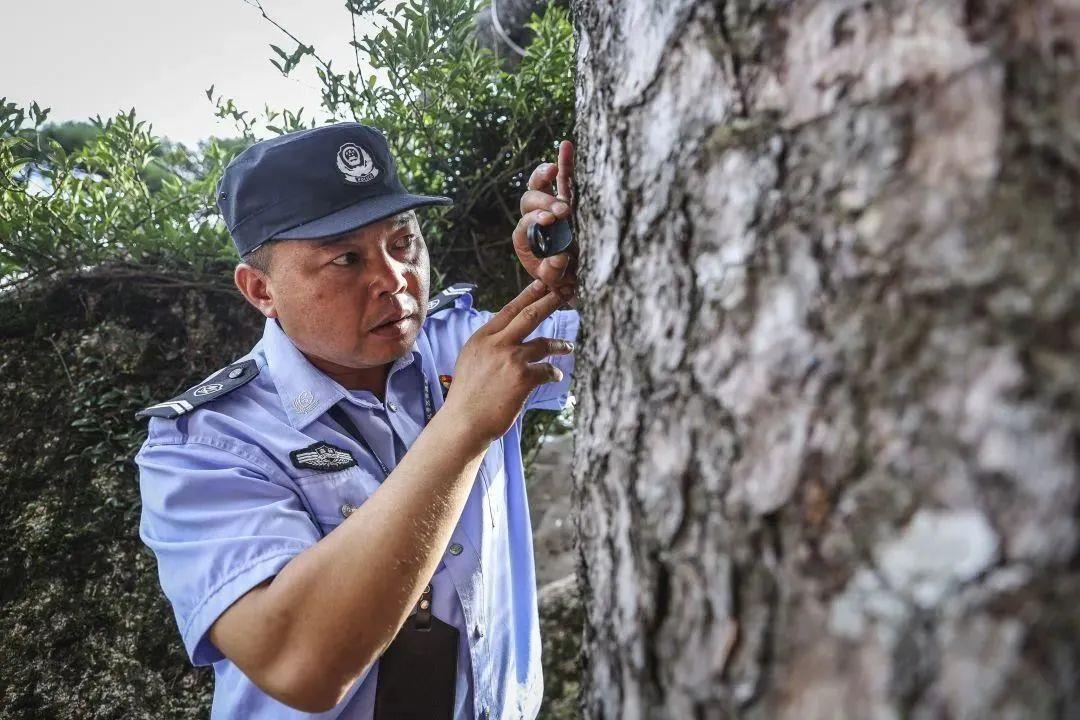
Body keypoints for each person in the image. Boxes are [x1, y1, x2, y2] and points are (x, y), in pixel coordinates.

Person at [134, 122, 580, 719]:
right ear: (260, 289)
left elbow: (635, 335)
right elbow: (300, 662)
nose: (394, 279)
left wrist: (581, 261)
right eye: (346, 258)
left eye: (403, 244)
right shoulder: (205, 444)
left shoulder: (459, 344)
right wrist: (464, 425)